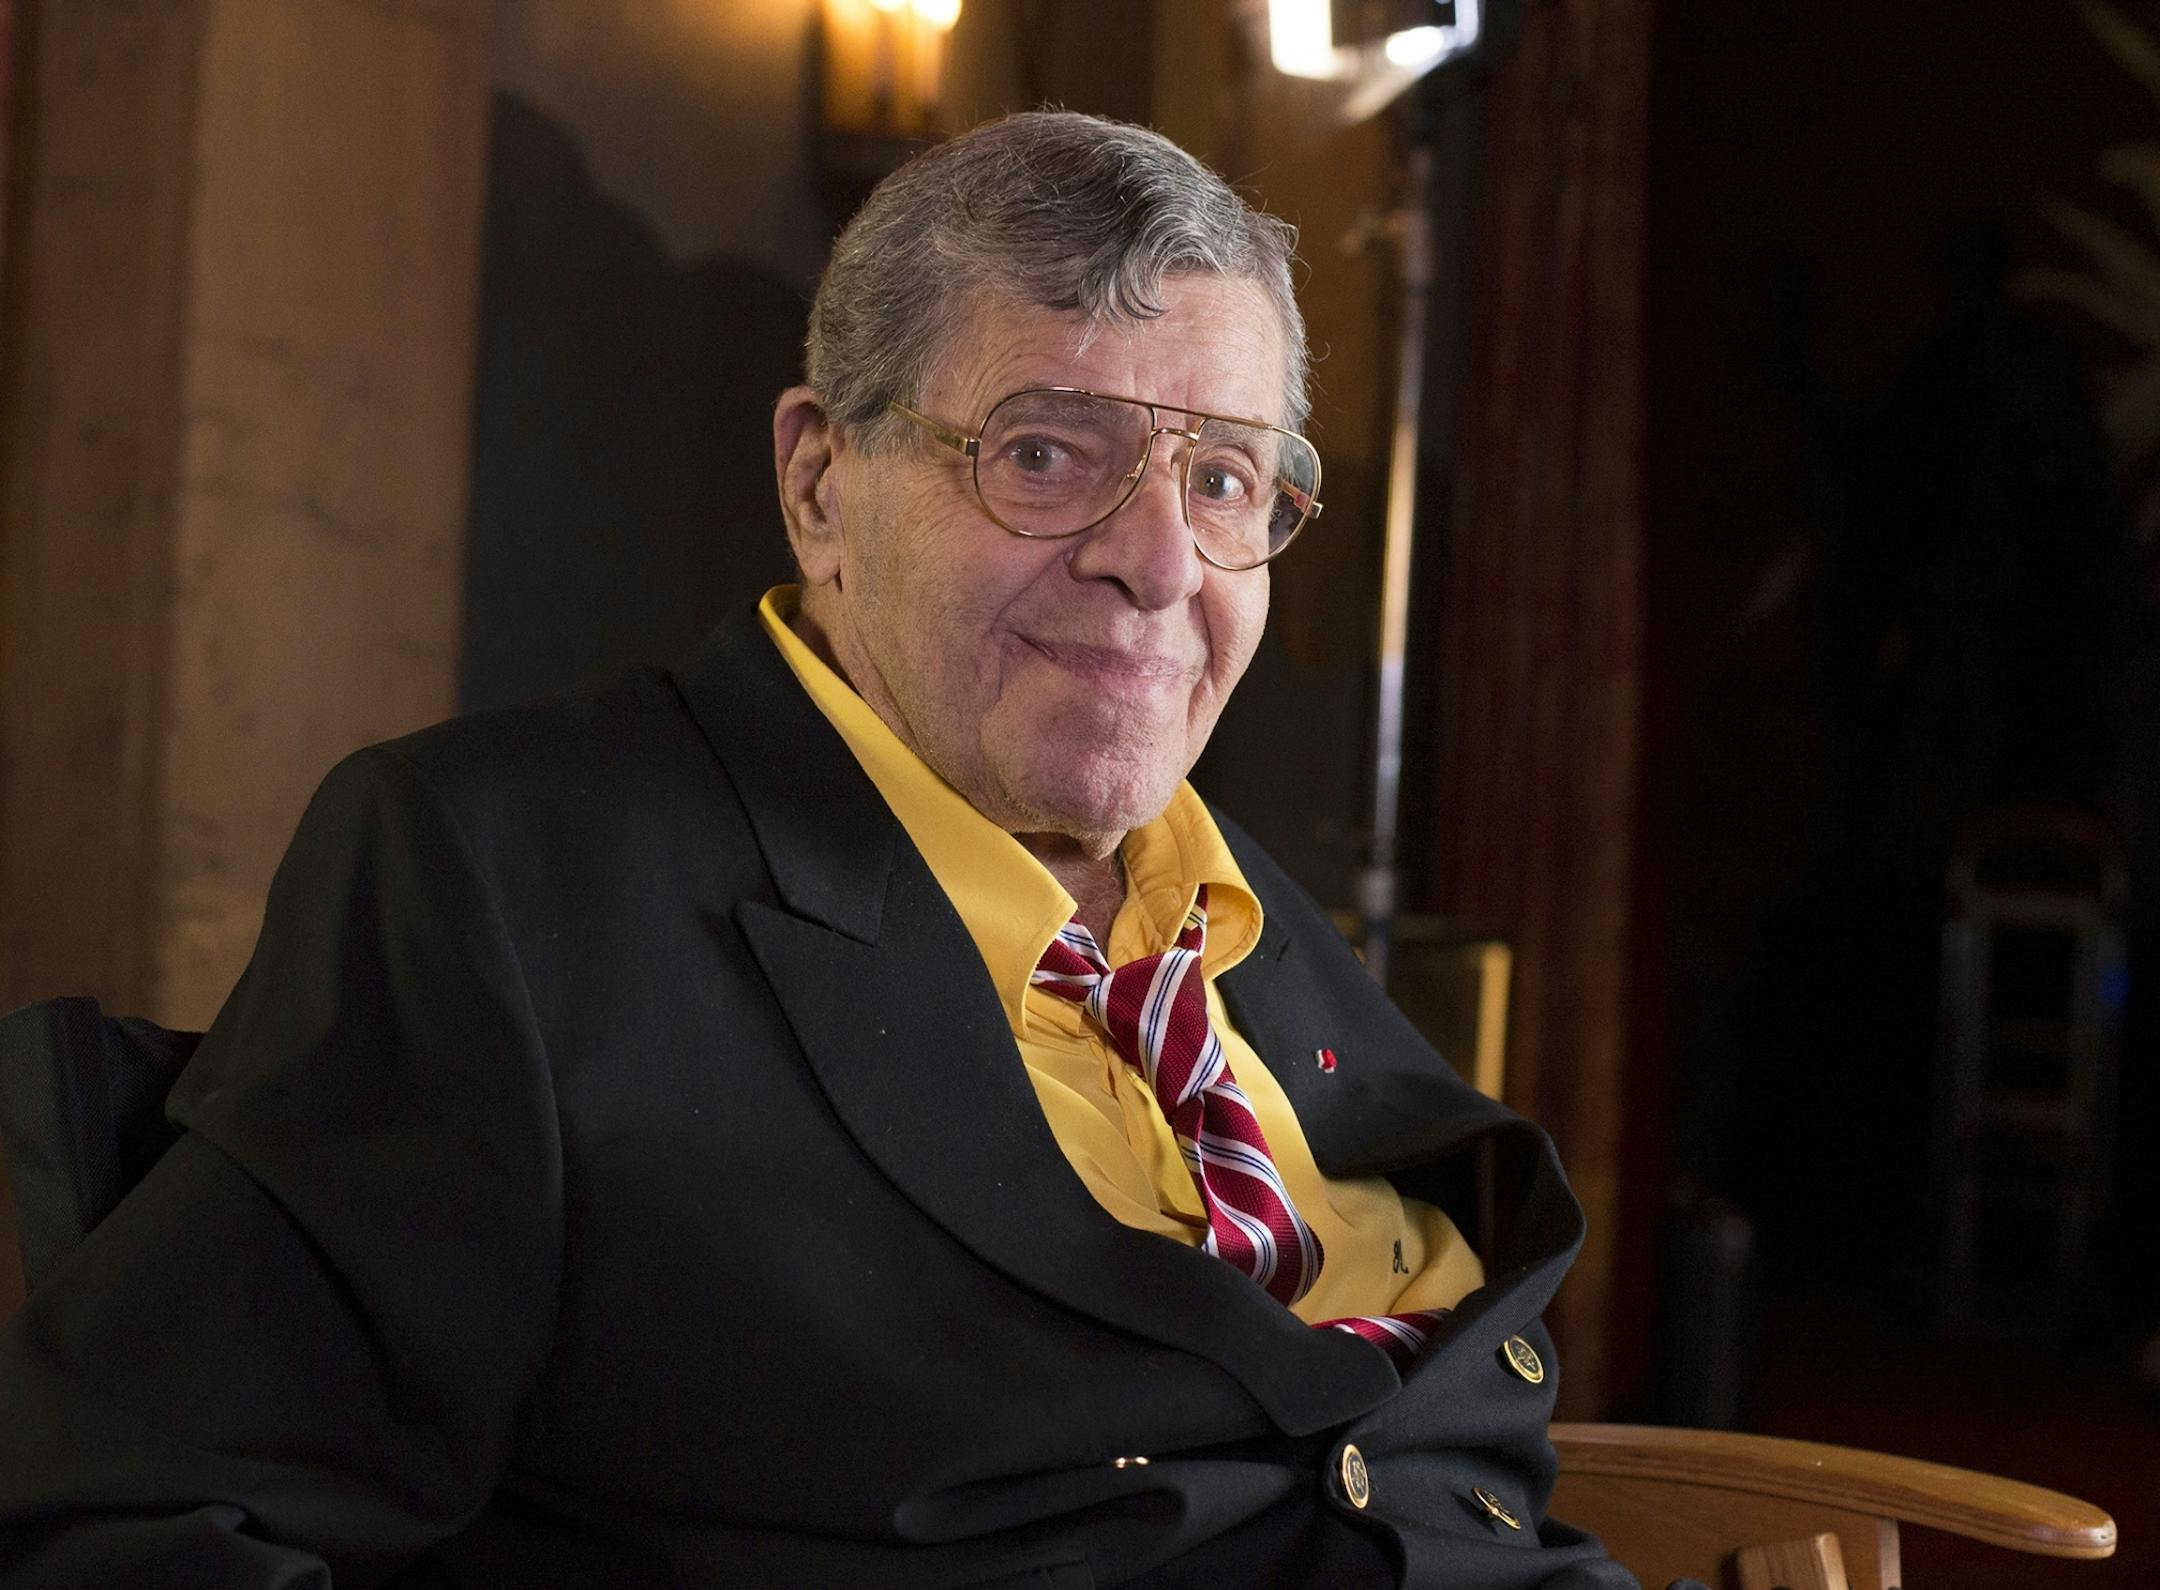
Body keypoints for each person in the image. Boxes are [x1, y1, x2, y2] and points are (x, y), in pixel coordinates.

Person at [0, 112, 1695, 1589]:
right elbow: (135, 1523)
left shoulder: (1240, 911)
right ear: (819, 482)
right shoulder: (500, 881)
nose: (1164, 562)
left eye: (1229, 481)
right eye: (1047, 454)